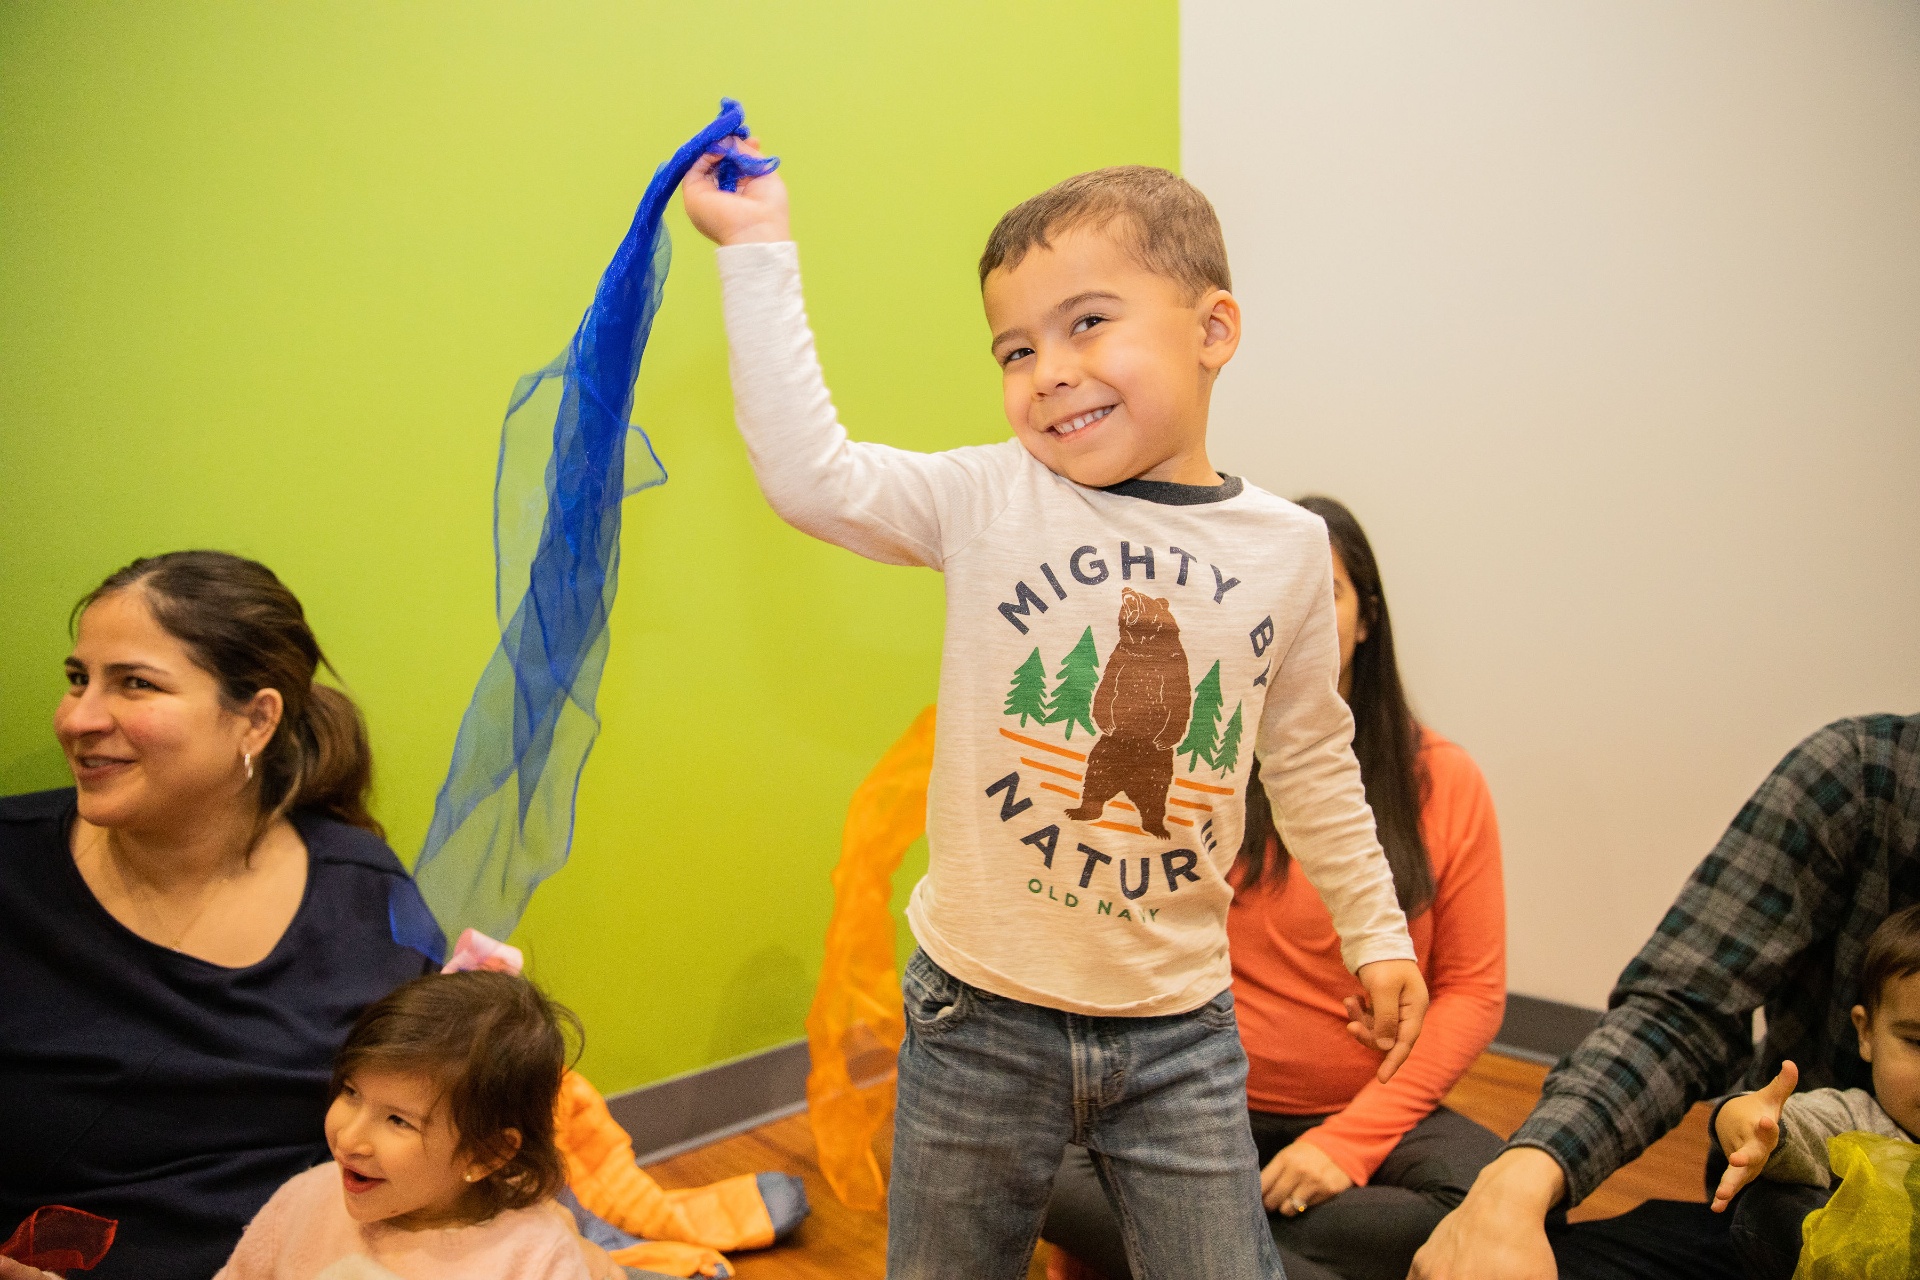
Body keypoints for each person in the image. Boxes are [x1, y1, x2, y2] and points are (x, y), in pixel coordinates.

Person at [683, 149, 1428, 1280]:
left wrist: (1375, 932)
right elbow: (810, 476)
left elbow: (1316, 757)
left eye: (1087, 323)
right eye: (1016, 349)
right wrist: (756, 250)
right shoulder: (992, 497)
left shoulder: (1286, 550)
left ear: (1213, 328)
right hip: (976, 1016)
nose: (1048, 371)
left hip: (1178, 1027)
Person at [1042, 497, 1508, 1280]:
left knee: (1503, 1194)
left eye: (1322, 589)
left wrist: (1348, 1143)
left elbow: (1473, 990)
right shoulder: (1204, 762)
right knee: (1035, 1164)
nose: (1296, 607)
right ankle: (1240, 1252)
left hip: (1362, 1108)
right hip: (1189, 1106)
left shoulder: (1447, 780)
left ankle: (1203, 1248)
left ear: (1367, 622)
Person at [0, 552, 435, 1280]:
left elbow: (432, 1124)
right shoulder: (13, 871)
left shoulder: (365, 896)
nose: (77, 718)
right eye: (78, 679)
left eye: (134, 683)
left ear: (257, 720)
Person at [1410, 712, 1920, 1280]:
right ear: (1866, 1029)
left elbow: (1465, 999)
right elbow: (1681, 1012)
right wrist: (1517, 1185)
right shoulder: (1862, 775)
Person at [214, 970, 608, 1280]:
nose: (349, 1139)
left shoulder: (535, 1261)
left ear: (487, 1153)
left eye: (398, 1120)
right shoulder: (303, 1201)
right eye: (351, 1093)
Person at [1706, 902, 1920, 1275]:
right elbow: (1793, 1123)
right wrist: (1748, 1124)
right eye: (1918, 1042)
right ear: (1866, 1033)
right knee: (1770, 1208)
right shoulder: (1855, 1119)